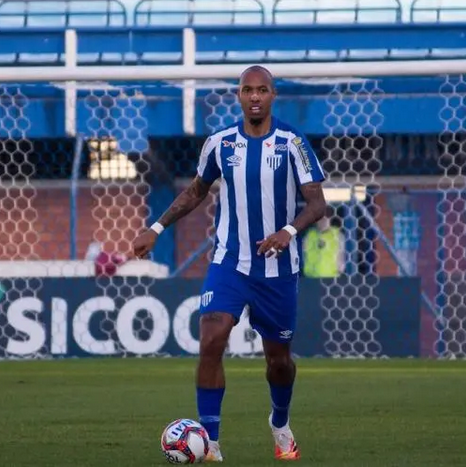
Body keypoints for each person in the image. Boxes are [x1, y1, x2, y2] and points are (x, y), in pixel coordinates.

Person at [131, 65, 327, 462]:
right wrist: (155, 227)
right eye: (246, 90)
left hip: (278, 269)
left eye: (262, 90)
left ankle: (280, 422)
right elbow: (195, 191)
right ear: (238, 96)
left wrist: (287, 231)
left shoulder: (293, 142)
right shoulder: (220, 143)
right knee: (212, 338)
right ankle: (210, 443)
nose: (254, 97)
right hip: (229, 263)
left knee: (279, 362)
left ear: (273, 96)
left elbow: (318, 203)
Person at [302, 206, 344, 278]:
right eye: (320, 219)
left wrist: (340, 271)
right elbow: (303, 254)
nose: (322, 221)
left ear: (330, 219)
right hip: (311, 278)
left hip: (331, 277)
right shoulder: (309, 235)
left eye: (325, 218)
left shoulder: (337, 235)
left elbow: (341, 256)